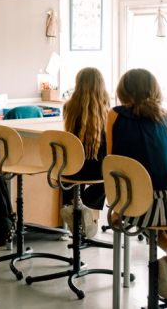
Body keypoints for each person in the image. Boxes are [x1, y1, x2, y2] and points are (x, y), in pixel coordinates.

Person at [108, 68, 167, 302]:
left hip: (136, 203)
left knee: (134, 209)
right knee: (163, 206)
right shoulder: (165, 116)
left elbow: (112, 161)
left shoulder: (114, 114)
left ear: (123, 91)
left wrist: (116, 205)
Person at [60, 67, 110, 239]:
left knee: (65, 171)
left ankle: (76, 205)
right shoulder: (108, 110)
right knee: (108, 179)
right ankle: (84, 207)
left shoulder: (69, 107)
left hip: (74, 168)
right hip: (98, 170)